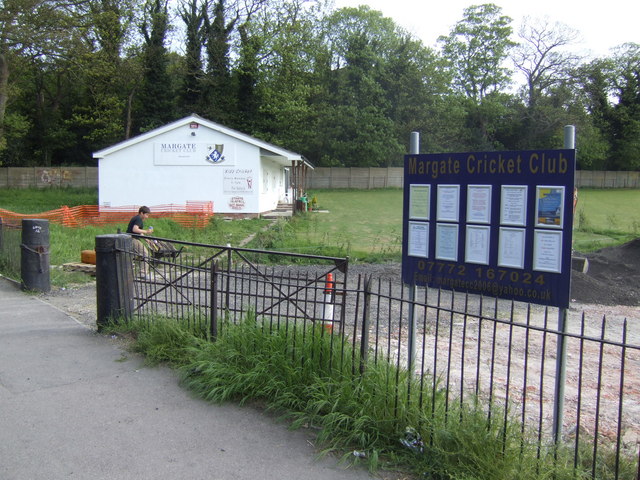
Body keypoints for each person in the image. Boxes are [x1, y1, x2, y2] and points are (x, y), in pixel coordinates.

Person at [126, 206, 154, 278]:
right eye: (146, 215)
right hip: (133, 239)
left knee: (133, 255)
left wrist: (146, 239)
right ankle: (142, 273)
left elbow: (139, 232)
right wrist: (146, 231)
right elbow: (135, 229)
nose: (147, 217)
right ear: (141, 213)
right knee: (145, 253)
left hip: (129, 239)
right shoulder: (138, 219)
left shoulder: (136, 218)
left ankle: (130, 271)